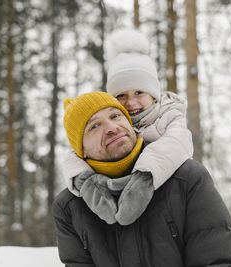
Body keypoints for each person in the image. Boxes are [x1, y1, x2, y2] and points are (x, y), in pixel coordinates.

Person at [53, 91, 231, 267]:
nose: (111, 128)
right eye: (94, 126)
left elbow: (217, 261)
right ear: (81, 150)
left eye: (115, 116)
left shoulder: (187, 179)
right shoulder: (70, 207)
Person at [62, 29, 193, 226]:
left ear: (153, 94)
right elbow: (75, 154)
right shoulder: (116, 123)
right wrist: (85, 181)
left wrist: (144, 177)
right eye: (121, 95)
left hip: (165, 192)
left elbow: (175, 145)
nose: (131, 102)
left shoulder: (170, 115)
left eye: (139, 92)